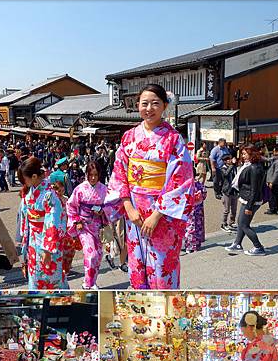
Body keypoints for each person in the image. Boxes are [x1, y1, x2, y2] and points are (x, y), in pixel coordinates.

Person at [105, 83, 193, 289]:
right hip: (134, 209)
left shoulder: (173, 139)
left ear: (164, 106)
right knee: (137, 264)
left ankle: (164, 311)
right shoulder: (129, 137)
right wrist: (128, 207)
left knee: (162, 265)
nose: (149, 108)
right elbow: (119, 174)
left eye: (155, 103)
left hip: (162, 213)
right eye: (144, 103)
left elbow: (181, 179)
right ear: (138, 106)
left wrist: (157, 214)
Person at [18, 157, 68, 290]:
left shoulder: (49, 195)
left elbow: (53, 221)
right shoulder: (31, 192)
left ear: (34, 176)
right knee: (34, 278)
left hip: (47, 243)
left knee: (52, 279)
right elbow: (25, 215)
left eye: (25, 179)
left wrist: (47, 249)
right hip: (33, 242)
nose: (24, 182)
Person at [66, 162, 108, 290]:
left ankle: (92, 281)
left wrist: (102, 211)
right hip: (83, 225)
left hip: (97, 225)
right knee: (91, 254)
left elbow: (110, 206)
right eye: (91, 175)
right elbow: (71, 205)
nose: (93, 178)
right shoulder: (80, 189)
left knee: (99, 255)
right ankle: (87, 284)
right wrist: (77, 221)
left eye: (96, 175)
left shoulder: (104, 189)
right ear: (86, 175)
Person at [225, 143, 266, 256]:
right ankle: (237, 243)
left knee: (244, 225)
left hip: (250, 200)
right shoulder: (250, 165)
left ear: (251, 153)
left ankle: (258, 247)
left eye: (244, 154)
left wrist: (249, 206)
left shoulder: (254, 168)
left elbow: (255, 189)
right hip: (247, 198)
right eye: (242, 154)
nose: (243, 156)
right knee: (241, 222)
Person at [183, 175, 207, 253]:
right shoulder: (199, 184)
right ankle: (197, 245)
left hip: (188, 209)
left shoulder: (185, 184)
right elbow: (204, 194)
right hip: (198, 209)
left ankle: (190, 247)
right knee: (197, 227)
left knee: (190, 228)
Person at [264, 146, 278, 215]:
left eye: (274, 151)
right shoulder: (276, 158)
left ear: (277, 152)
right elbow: (268, 159)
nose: (273, 152)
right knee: (274, 195)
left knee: (272, 195)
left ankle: (273, 209)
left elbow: (277, 173)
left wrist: (272, 182)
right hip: (272, 180)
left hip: (274, 181)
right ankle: (274, 208)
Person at [220, 154, 238, 233]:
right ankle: (224, 224)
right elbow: (226, 174)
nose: (230, 160)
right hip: (227, 191)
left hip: (234, 190)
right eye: (228, 159)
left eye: (231, 159)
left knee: (234, 209)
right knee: (226, 209)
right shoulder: (223, 168)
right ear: (225, 161)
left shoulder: (233, 167)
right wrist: (232, 165)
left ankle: (231, 222)